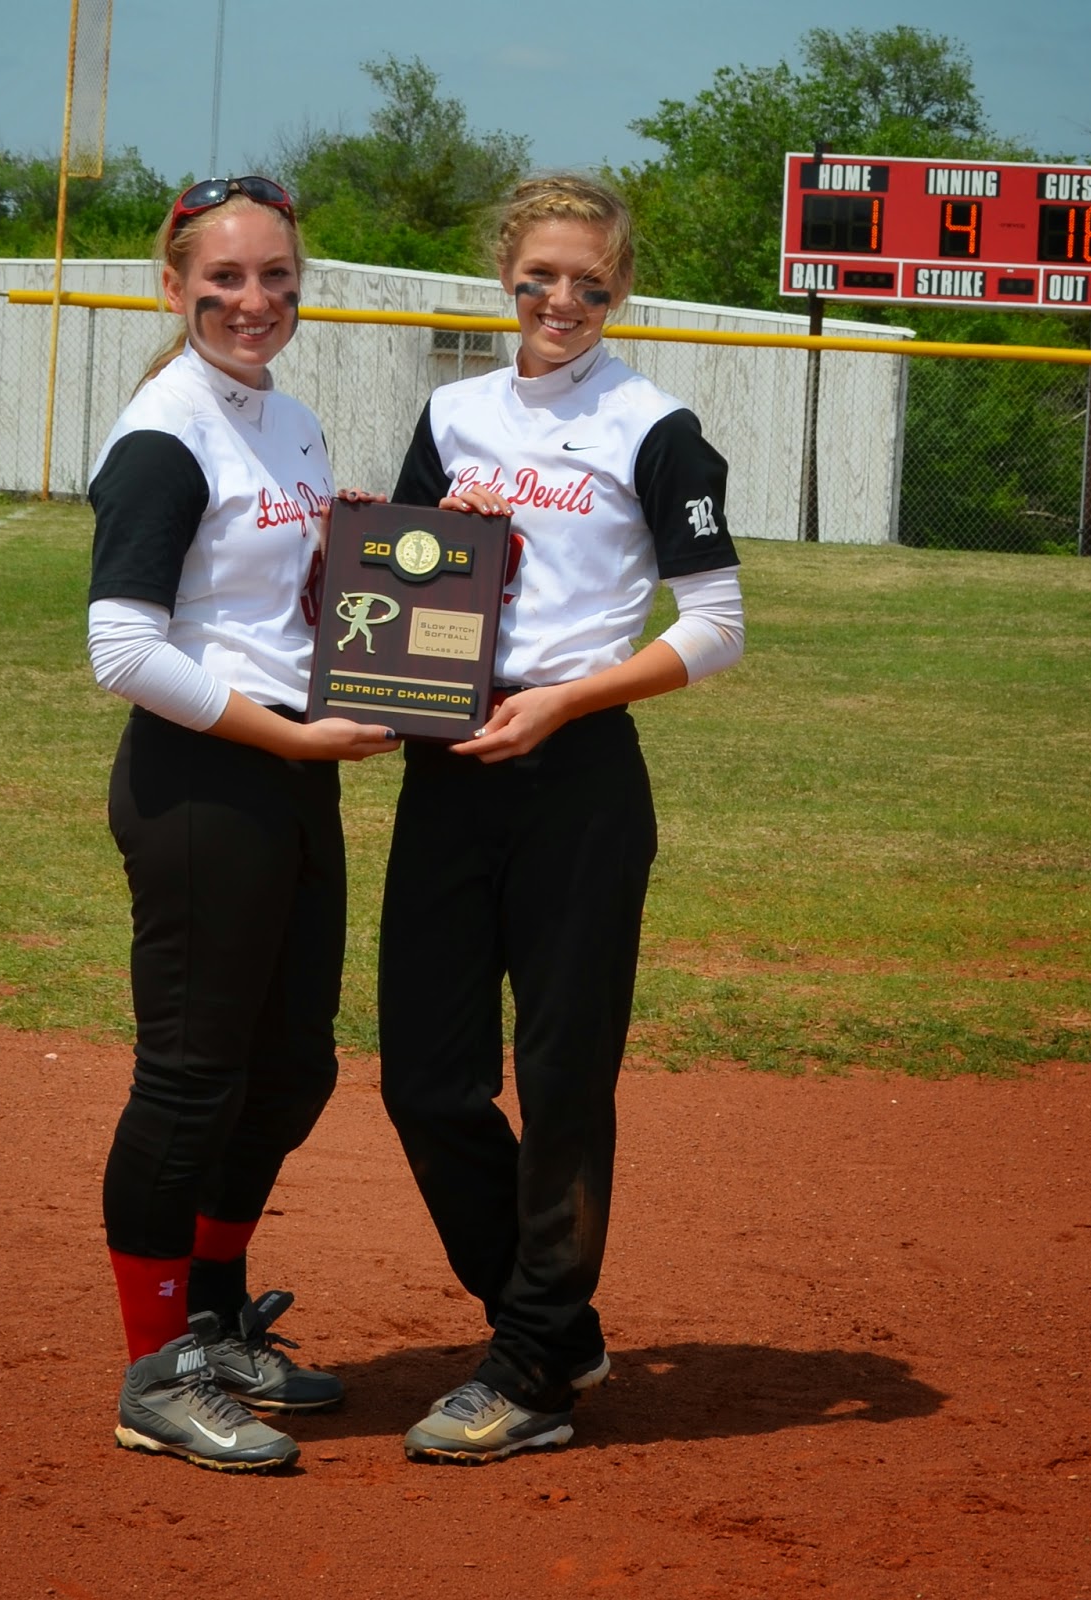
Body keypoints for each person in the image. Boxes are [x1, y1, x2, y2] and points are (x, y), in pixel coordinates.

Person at [378, 173, 745, 1463]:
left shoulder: (656, 426)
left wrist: (564, 703)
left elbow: (717, 628)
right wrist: (442, 533)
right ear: (505, 274)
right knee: (425, 1081)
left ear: (621, 286)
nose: (562, 301)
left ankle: (532, 1365)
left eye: (590, 281)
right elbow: (397, 589)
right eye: (540, 276)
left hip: (578, 773)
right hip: (450, 765)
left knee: (562, 1075)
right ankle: (558, 1319)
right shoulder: (453, 413)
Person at [86, 175, 399, 1472]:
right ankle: (154, 1370)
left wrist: (405, 550)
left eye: (275, 275)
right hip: (205, 783)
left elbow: (297, 593)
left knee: (291, 1070)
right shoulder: (165, 435)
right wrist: (289, 739)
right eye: (222, 277)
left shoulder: (288, 419)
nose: (252, 299)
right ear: (175, 286)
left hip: (286, 772)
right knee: (192, 1078)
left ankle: (213, 1319)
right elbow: (122, 651)